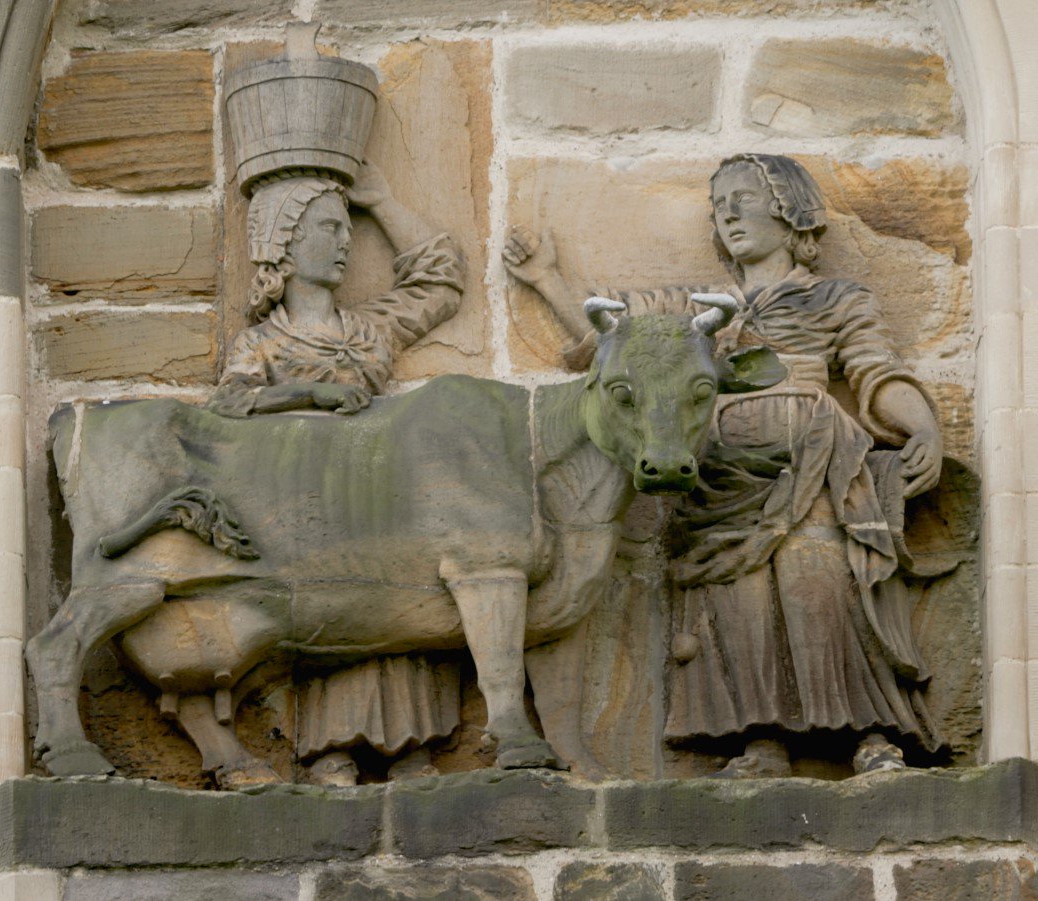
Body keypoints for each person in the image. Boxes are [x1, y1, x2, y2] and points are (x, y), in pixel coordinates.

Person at [503, 153, 947, 776]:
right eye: (719, 203)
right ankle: (762, 737)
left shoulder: (835, 297)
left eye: (745, 196)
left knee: (820, 586)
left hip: (812, 464)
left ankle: (870, 735)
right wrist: (549, 279)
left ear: (790, 209)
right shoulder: (690, 308)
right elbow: (613, 327)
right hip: (716, 475)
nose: (729, 211)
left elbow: (876, 369)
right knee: (738, 604)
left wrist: (922, 426)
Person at [211, 161, 464, 784]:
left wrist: (380, 201)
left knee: (402, 609)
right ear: (285, 246)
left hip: (383, 494)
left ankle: (411, 743)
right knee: (333, 620)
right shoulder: (264, 343)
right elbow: (229, 403)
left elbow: (440, 280)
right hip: (311, 506)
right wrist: (309, 396)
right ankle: (329, 748)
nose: (346, 241)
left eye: (347, 227)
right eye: (329, 227)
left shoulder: (370, 331)